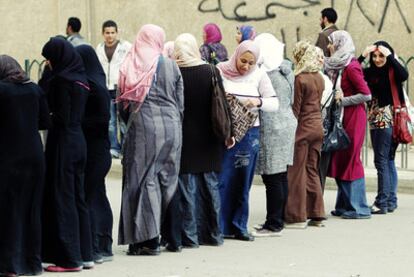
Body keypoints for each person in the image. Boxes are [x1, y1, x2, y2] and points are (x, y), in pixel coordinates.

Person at [117, 24, 184, 256]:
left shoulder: (129, 62)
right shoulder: (171, 65)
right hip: (172, 128)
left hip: (143, 127)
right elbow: (180, 102)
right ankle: (173, 237)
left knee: (142, 181)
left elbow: (122, 105)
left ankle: (146, 240)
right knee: (167, 180)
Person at [40, 37, 93, 272]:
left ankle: (69, 259)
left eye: (50, 59)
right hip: (79, 140)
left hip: (63, 142)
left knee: (64, 199)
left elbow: (58, 116)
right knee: (78, 199)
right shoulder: (81, 78)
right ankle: (85, 254)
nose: (49, 63)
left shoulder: (61, 80)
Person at [217, 40, 278, 241]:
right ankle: (219, 225)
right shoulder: (220, 70)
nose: (246, 66)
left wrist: (258, 102)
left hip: (249, 133)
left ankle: (238, 226)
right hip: (226, 132)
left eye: (251, 63)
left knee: (243, 181)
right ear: (236, 56)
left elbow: (274, 102)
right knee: (223, 179)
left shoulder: (259, 74)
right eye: (243, 61)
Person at [174, 33, 229, 248]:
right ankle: (214, 234)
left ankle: (190, 237)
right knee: (210, 186)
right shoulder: (211, 71)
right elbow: (222, 104)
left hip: (184, 137)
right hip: (209, 136)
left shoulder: (174, 71)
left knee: (187, 190)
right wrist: (228, 132)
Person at [0, 55, 50, 276]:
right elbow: (44, 122)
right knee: (32, 210)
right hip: (35, 156)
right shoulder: (34, 89)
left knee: (10, 211)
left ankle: (10, 265)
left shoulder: (1, 90)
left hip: (9, 156)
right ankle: (33, 264)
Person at [252, 33, 297, 236]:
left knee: (272, 178)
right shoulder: (287, 70)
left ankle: (274, 223)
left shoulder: (267, 73)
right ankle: (278, 219)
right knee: (280, 176)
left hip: (272, 126)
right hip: (287, 123)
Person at [325, 30, 372, 219]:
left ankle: (358, 208)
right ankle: (344, 205)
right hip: (345, 117)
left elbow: (366, 94)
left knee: (351, 159)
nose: (329, 46)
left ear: (339, 44)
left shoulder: (351, 67)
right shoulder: (340, 65)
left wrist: (342, 100)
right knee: (342, 158)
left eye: (331, 43)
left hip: (354, 118)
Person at [358, 41, 409, 214]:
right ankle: (390, 201)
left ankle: (382, 202)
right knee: (387, 160)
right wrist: (363, 55)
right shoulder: (368, 72)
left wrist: (391, 57)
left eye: (381, 56)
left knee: (382, 161)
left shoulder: (393, 71)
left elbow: (404, 74)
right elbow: (352, 73)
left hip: (386, 121)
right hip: (379, 121)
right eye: (375, 56)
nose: (378, 59)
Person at [76, 44, 114, 262]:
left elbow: (96, 121)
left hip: (95, 151)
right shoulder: (98, 81)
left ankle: (98, 246)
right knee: (98, 194)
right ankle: (103, 245)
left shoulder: (92, 88)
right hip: (100, 150)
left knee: (91, 196)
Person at [284, 41, 326, 228]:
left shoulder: (300, 78)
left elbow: (296, 109)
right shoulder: (319, 77)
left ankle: (296, 215)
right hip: (318, 127)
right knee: (312, 168)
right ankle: (316, 212)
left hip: (303, 129)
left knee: (296, 171)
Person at [96, 20, 132, 159]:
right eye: (107, 33)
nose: (110, 36)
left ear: (117, 33)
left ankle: (126, 148)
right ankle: (114, 148)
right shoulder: (98, 48)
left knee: (123, 120)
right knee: (110, 121)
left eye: (112, 33)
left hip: (122, 88)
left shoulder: (126, 47)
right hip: (106, 89)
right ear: (103, 34)